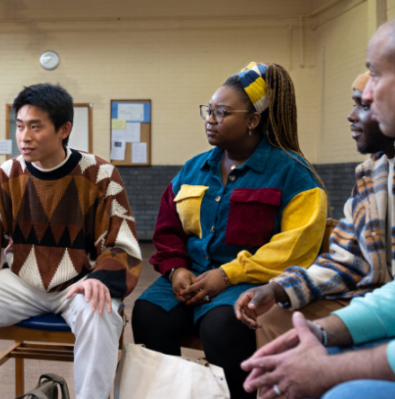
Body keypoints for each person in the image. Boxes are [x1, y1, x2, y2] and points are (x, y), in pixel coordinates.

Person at [241, 5, 395, 399]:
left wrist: (328, 372)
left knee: (343, 393)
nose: (366, 96)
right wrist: (320, 336)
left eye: (374, 74)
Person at [130, 62, 328, 399]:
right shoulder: (194, 168)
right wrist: (176, 268)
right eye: (209, 111)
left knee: (222, 326)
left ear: (253, 120)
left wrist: (227, 274)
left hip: (246, 283)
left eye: (222, 112)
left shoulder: (292, 174)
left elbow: (295, 248)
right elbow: (168, 228)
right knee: (148, 314)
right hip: (189, 276)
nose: (210, 119)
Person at [0, 83, 142, 399]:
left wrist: (101, 279)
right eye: (20, 126)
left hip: (80, 284)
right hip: (21, 281)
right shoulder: (6, 173)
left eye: (35, 127)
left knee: (103, 309)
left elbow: (120, 243)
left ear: (64, 129)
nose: (24, 136)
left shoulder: (100, 173)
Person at [234, 71, 395, 348]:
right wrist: (278, 288)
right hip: (368, 298)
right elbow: (346, 260)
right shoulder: (369, 175)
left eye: (363, 105)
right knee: (274, 317)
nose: (351, 116)